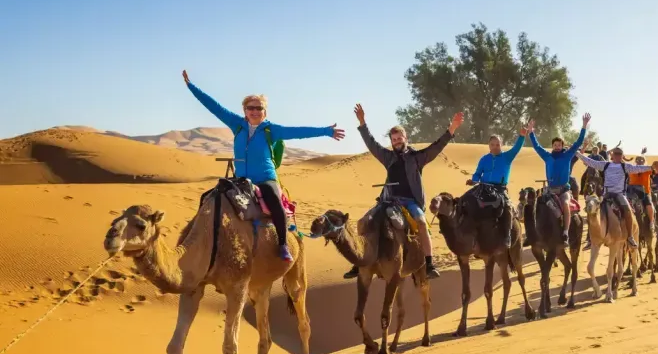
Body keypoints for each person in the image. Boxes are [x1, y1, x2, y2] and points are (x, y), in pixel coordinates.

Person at [182, 70, 345, 263]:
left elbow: (297, 132)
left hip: (265, 178)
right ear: (244, 110)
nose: (254, 111)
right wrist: (191, 86)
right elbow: (213, 106)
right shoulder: (237, 124)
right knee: (208, 197)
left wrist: (326, 131)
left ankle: (283, 244)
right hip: (241, 179)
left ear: (264, 111)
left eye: (259, 108)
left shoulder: (270, 130)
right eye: (251, 107)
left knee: (275, 203)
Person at [343, 104, 464, 280]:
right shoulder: (388, 157)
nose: (397, 141)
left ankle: (429, 264)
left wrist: (451, 129)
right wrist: (362, 123)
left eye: (399, 138)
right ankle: (360, 261)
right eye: (394, 139)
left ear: (406, 138)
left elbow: (436, 147)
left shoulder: (417, 158)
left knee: (422, 224)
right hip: (388, 201)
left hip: (410, 202)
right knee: (362, 222)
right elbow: (372, 143)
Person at [527, 113, 591, 244]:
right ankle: (532, 234)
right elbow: (537, 146)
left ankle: (565, 233)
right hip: (550, 190)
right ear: (553, 146)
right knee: (536, 205)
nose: (557, 146)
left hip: (563, 190)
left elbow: (578, 142)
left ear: (562, 146)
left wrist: (584, 126)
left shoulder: (567, 155)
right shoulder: (547, 156)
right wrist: (531, 133)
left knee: (566, 205)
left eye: (559, 145)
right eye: (555, 145)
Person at [575, 147, 652, 248]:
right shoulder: (605, 165)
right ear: (612, 155)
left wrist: (651, 167)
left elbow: (639, 168)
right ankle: (591, 238)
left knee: (628, 211)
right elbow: (590, 161)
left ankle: (630, 237)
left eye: (620, 154)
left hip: (619, 194)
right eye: (616, 153)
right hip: (606, 194)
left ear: (622, 156)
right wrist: (577, 153)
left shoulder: (626, 166)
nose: (617, 155)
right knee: (592, 210)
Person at [466, 127, 527, 247]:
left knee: (508, 207)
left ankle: (507, 237)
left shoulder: (507, 157)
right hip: (483, 188)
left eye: (497, 144)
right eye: (492, 144)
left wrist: (522, 136)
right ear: (489, 145)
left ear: (501, 145)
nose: (495, 147)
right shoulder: (484, 159)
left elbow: (516, 148)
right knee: (465, 201)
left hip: (500, 189)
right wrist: (473, 180)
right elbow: (478, 173)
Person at [627, 155, 656, 233]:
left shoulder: (647, 169)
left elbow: (654, 169)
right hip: (632, 192)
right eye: (638, 160)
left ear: (644, 161)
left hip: (645, 192)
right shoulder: (631, 169)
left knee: (649, 204)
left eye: (642, 160)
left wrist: (654, 165)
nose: (640, 161)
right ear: (635, 161)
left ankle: (651, 222)